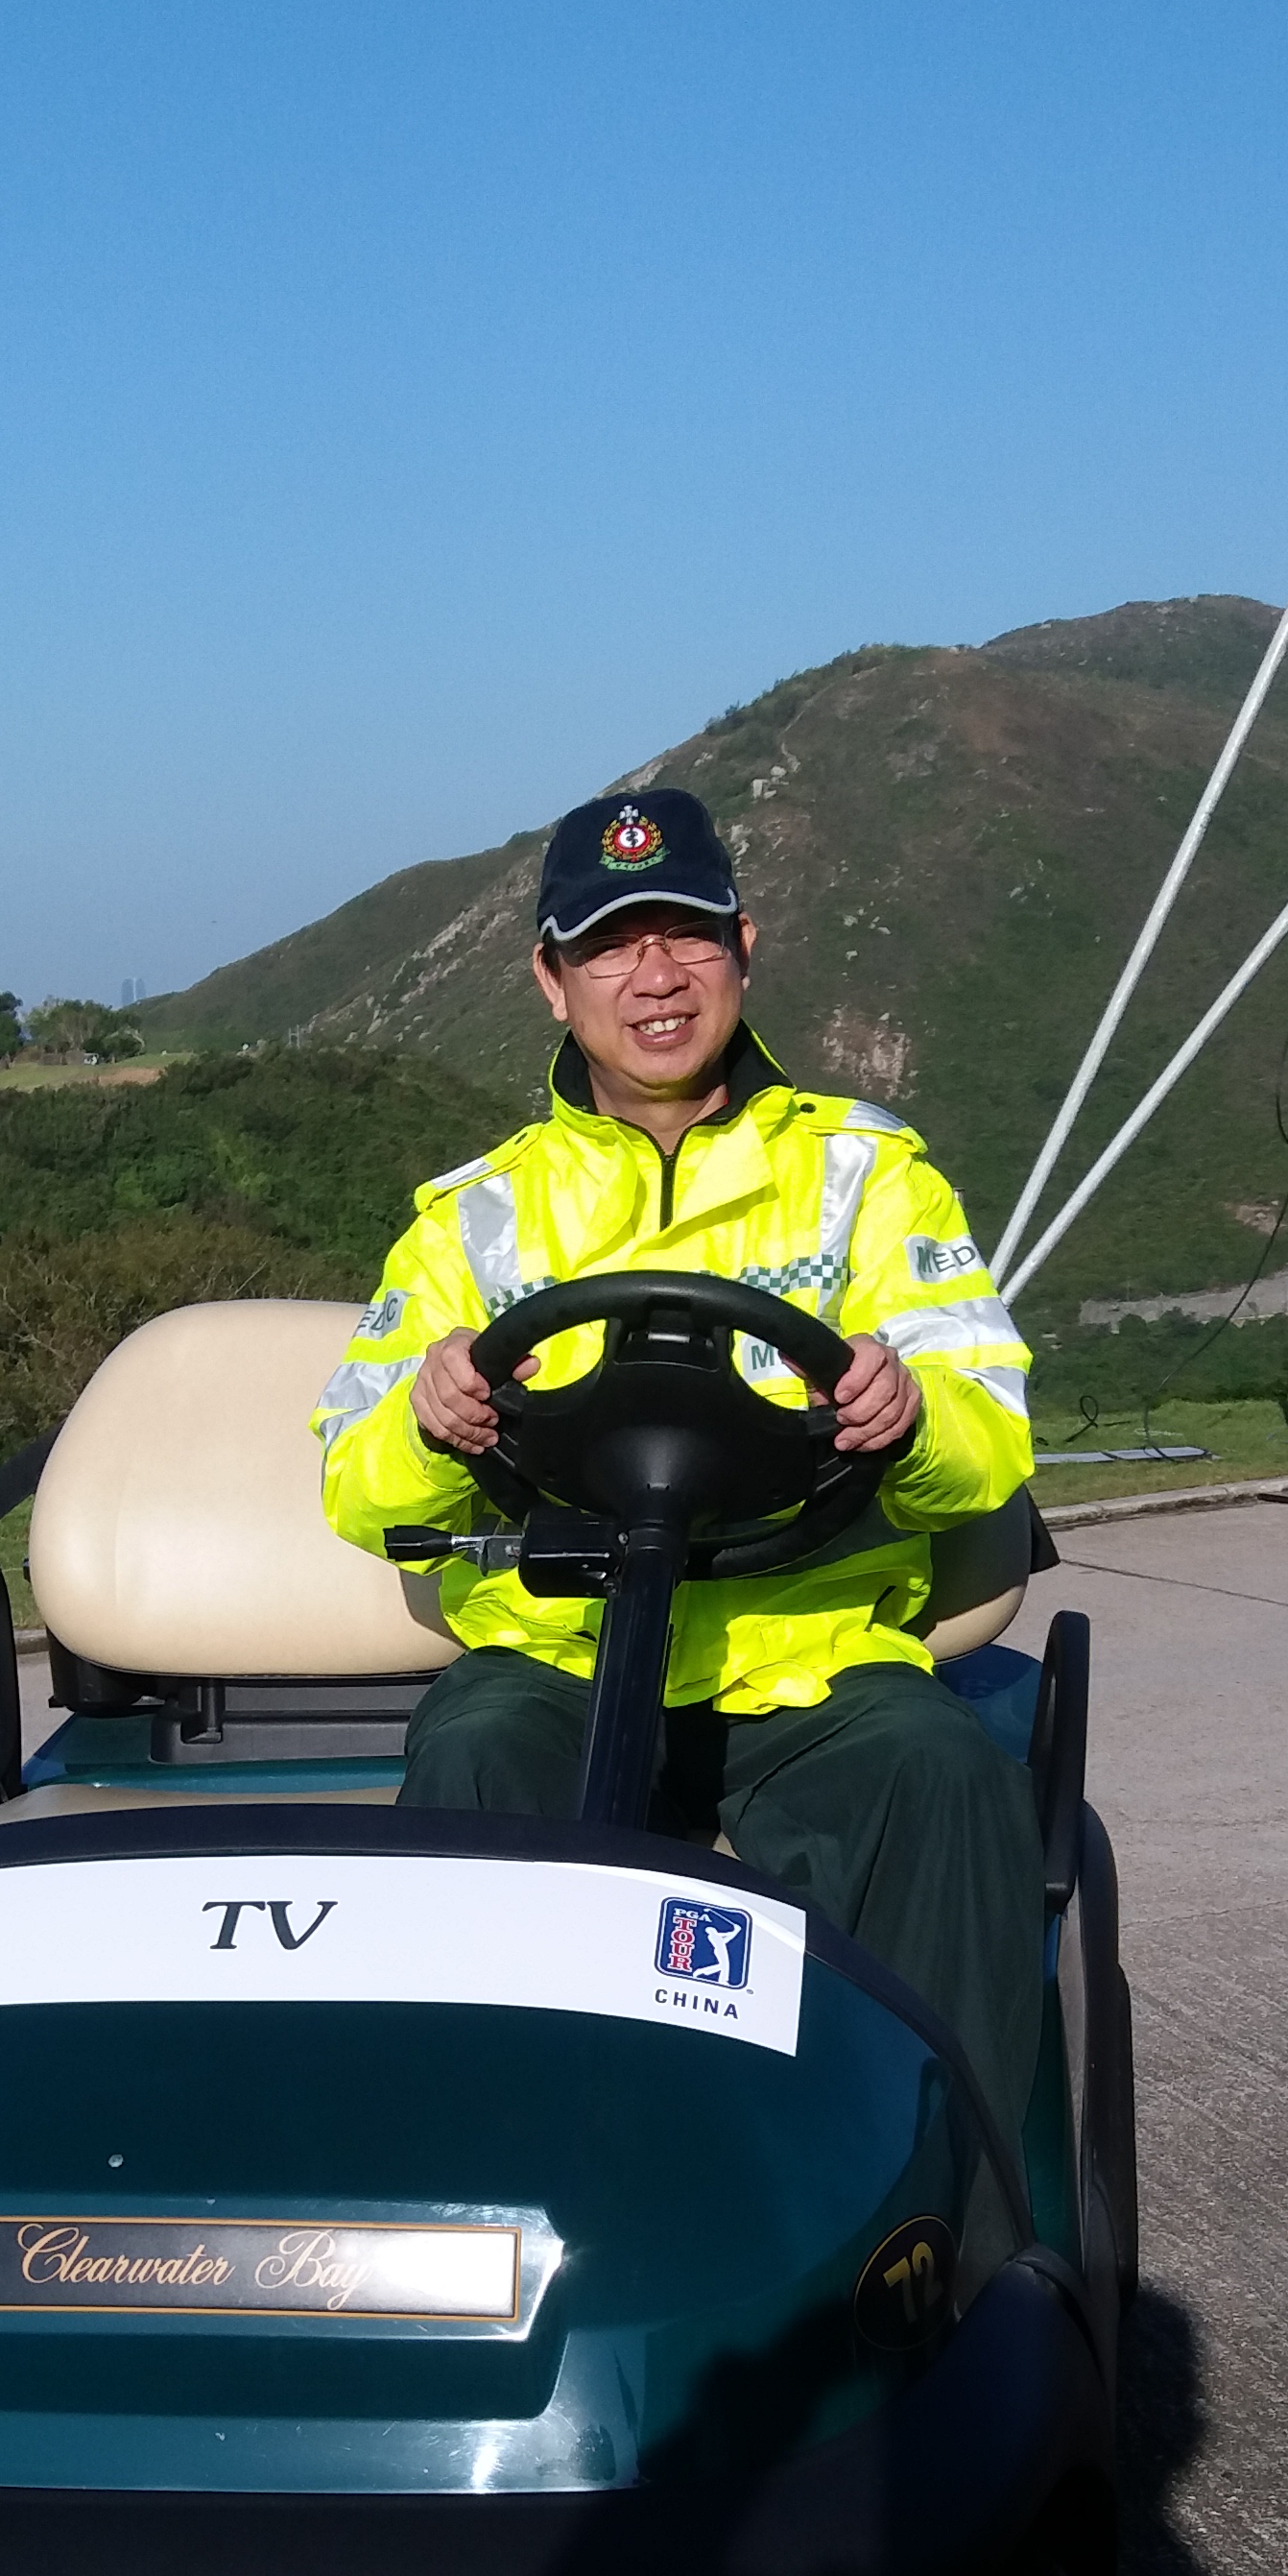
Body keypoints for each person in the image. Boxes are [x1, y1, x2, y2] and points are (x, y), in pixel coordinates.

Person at [313, 784, 1045, 2131]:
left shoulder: (872, 1178)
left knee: (940, 1774)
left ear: (743, 948)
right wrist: (428, 1422)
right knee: (474, 1754)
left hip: (810, 1658)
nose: (655, 977)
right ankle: (482, 2177)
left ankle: (953, 2215)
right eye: (608, 944)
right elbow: (354, 1486)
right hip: (565, 1660)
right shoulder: (471, 1219)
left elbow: (991, 1434)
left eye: (687, 935)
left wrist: (911, 1417)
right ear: (553, 980)